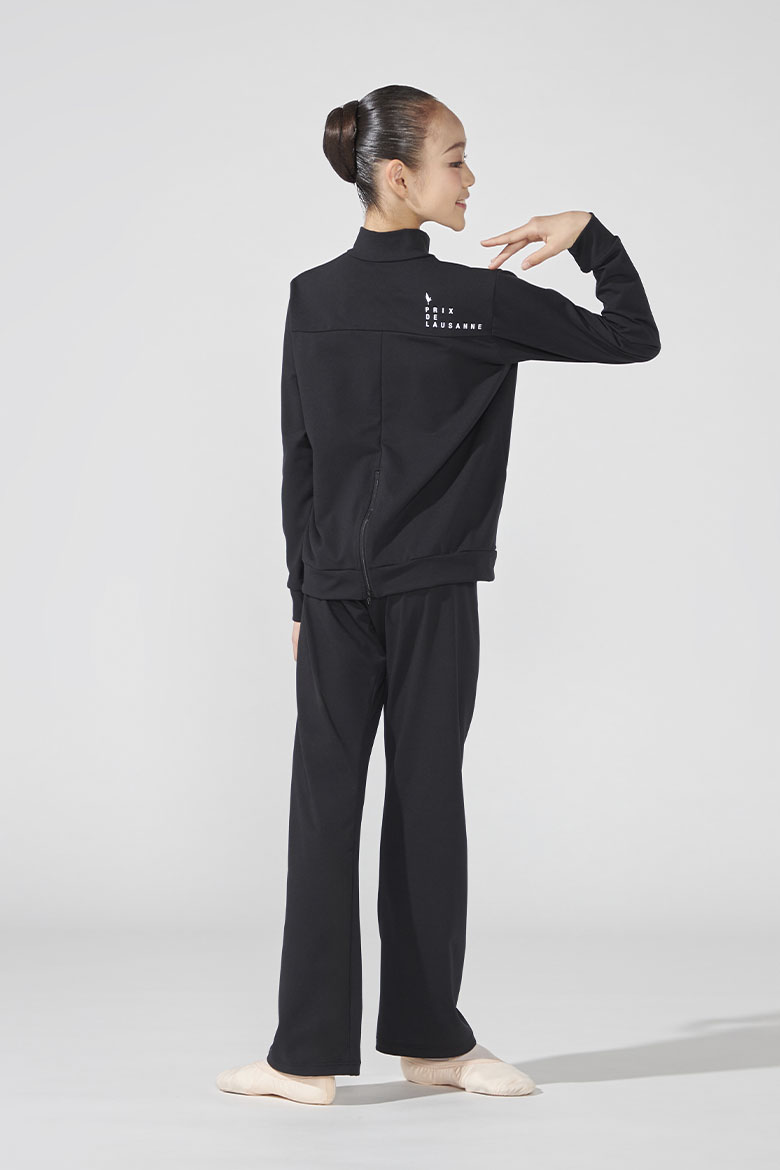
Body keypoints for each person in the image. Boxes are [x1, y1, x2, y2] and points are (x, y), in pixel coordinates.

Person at [216, 84, 661, 1107]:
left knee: (335, 810)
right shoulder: (470, 301)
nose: (471, 178)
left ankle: (318, 1057)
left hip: (338, 593)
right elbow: (632, 332)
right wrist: (591, 237)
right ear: (397, 176)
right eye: (455, 159)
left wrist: (302, 592)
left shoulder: (322, 296)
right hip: (415, 595)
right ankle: (411, 1044)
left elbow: (298, 460)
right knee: (416, 805)